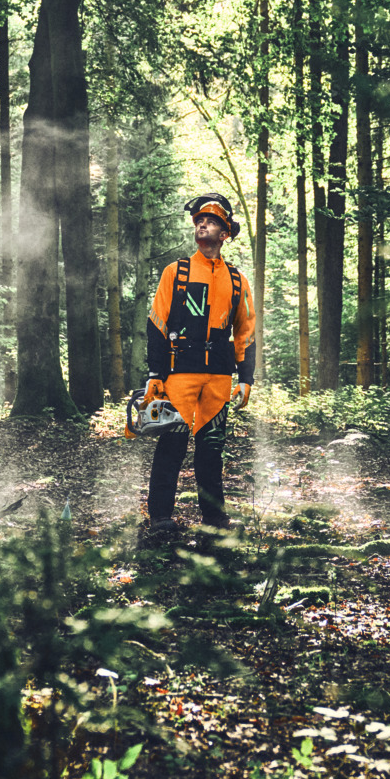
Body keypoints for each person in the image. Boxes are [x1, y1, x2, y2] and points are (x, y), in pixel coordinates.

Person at [141, 192, 256, 531]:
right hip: (178, 374)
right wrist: (155, 373)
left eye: (213, 222)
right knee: (170, 446)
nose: (203, 224)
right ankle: (161, 516)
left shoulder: (237, 280)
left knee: (211, 451)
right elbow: (157, 324)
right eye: (200, 220)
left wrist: (245, 377)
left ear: (225, 234)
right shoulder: (175, 273)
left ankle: (214, 518)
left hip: (219, 378)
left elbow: (245, 332)